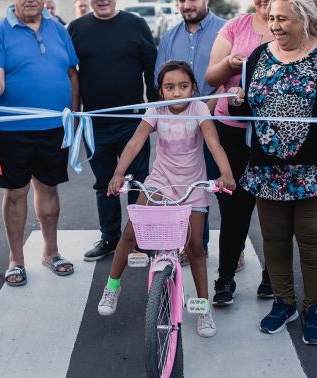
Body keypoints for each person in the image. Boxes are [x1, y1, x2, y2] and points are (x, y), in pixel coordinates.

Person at [228, 0, 317, 345]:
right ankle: (284, 301)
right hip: (267, 169)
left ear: (304, 20)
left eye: (282, 18)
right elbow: (248, 113)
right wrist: (238, 103)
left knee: (313, 240)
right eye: (271, 18)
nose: (274, 25)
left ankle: (313, 307)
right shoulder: (258, 56)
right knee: (273, 239)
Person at [97, 60, 236, 337]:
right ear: (160, 90)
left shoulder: (198, 108)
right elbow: (136, 142)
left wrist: (226, 173)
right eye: (169, 87)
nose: (176, 92)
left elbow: (213, 143)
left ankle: (203, 308)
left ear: (193, 88)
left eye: (183, 86)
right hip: (160, 182)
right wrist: (118, 173)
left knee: (195, 246)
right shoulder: (156, 110)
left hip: (192, 184)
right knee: (130, 232)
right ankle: (112, 287)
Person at [0, 0, 79, 286]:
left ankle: (51, 253)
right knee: (16, 192)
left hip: (55, 127)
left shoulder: (58, 29)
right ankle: (16, 260)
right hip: (12, 130)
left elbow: (71, 74)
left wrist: (73, 116)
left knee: (49, 188)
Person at [204, 0, 291, 304]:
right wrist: (229, 64)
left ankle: (271, 277)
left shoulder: (293, 27)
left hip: (276, 135)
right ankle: (225, 279)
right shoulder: (235, 27)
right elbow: (211, 78)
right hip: (231, 130)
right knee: (234, 208)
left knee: (273, 209)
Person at [67, 0, 158, 262]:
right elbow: (72, 76)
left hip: (133, 121)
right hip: (94, 124)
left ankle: (140, 237)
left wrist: (155, 110)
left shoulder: (136, 25)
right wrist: (77, 114)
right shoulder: (77, 29)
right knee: (103, 183)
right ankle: (110, 237)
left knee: (137, 180)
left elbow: (151, 70)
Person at [154, 0, 226, 262]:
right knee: (188, 190)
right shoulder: (169, 37)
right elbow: (162, 82)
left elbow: (228, 79)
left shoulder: (225, 31)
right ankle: (197, 246)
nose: (187, 4)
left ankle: (236, 248)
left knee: (221, 187)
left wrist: (204, 110)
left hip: (218, 123)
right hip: (181, 130)